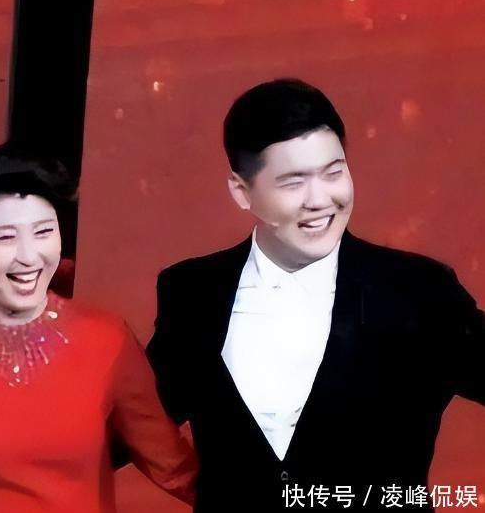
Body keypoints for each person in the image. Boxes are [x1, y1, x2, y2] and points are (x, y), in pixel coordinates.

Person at [146, 78, 485, 512]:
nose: (320, 199)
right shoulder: (193, 292)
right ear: (241, 191)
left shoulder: (418, 291)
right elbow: (132, 422)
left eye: (334, 172)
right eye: (293, 182)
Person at [0, 143, 197, 512]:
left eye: (44, 232)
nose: (30, 256)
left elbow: (174, 467)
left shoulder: (105, 338)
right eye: (6, 237)